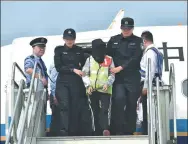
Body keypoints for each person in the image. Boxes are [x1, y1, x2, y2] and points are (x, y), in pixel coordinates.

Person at [106, 17, 143, 135]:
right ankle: (117, 130)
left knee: (131, 104)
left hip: (132, 77)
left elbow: (136, 58)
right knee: (118, 100)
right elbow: (107, 56)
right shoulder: (114, 40)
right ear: (121, 27)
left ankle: (129, 131)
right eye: (124, 28)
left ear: (132, 28)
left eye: (129, 28)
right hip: (118, 79)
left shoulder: (138, 41)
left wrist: (120, 67)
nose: (126, 30)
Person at [54, 28, 92, 136]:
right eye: (67, 39)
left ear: (74, 39)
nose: (69, 41)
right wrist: (73, 69)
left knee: (75, 106)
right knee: (64, 105)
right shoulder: (59, 50)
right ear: (63, 39)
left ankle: (74, 131)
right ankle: (63, 130)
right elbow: (58, 67)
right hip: (63, 82)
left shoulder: (80, 50)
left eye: (71, 39)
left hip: (76, 83)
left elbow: (85, 66)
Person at [82, 39, 115, 136]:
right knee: (94, 111)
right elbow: (84, 74)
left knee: (105, 110)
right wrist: (88, 85)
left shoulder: (109, 59)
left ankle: (105, 129)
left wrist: (107, 83)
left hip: (105, 90)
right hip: (92, 90)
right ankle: (96, 131)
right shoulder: (89, 60)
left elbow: (112, 74)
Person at [139, 31, 163, 135]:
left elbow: (150, 70)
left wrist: (145, 86)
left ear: (144, 41)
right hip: (153, 83)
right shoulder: (156, 51)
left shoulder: (150, 53)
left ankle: (147, 133)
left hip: (149, 84)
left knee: (147, 111)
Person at [48, 62, 61, 136]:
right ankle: (54, 134)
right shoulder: (55, 65)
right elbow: (53, 81)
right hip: (56, 94)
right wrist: (54, 95)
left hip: (57, 93)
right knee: (56, 115)